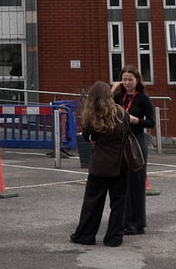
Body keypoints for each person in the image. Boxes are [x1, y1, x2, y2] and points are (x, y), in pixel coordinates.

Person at [70, 81, 128, 248]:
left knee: (92, 201)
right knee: (118, 202)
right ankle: (114, 238)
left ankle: (85, 235)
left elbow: (87, 136)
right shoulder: (121, 113)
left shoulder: (92, 115)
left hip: (100, 163)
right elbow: (126, 132)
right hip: (120, 162)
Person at [112, 65, 154, 236]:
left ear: (137, 80)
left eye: (130, 79)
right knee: (122, 184)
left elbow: (151, 122)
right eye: (124, 79)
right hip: (120, 141)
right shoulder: (117, 96)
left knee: (136, 183)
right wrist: (112, 90)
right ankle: (123, 220)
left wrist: (137, 120)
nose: (127, 82)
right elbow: (105, 108)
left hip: (136, 141)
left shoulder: (142, 98)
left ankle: (137, 223)